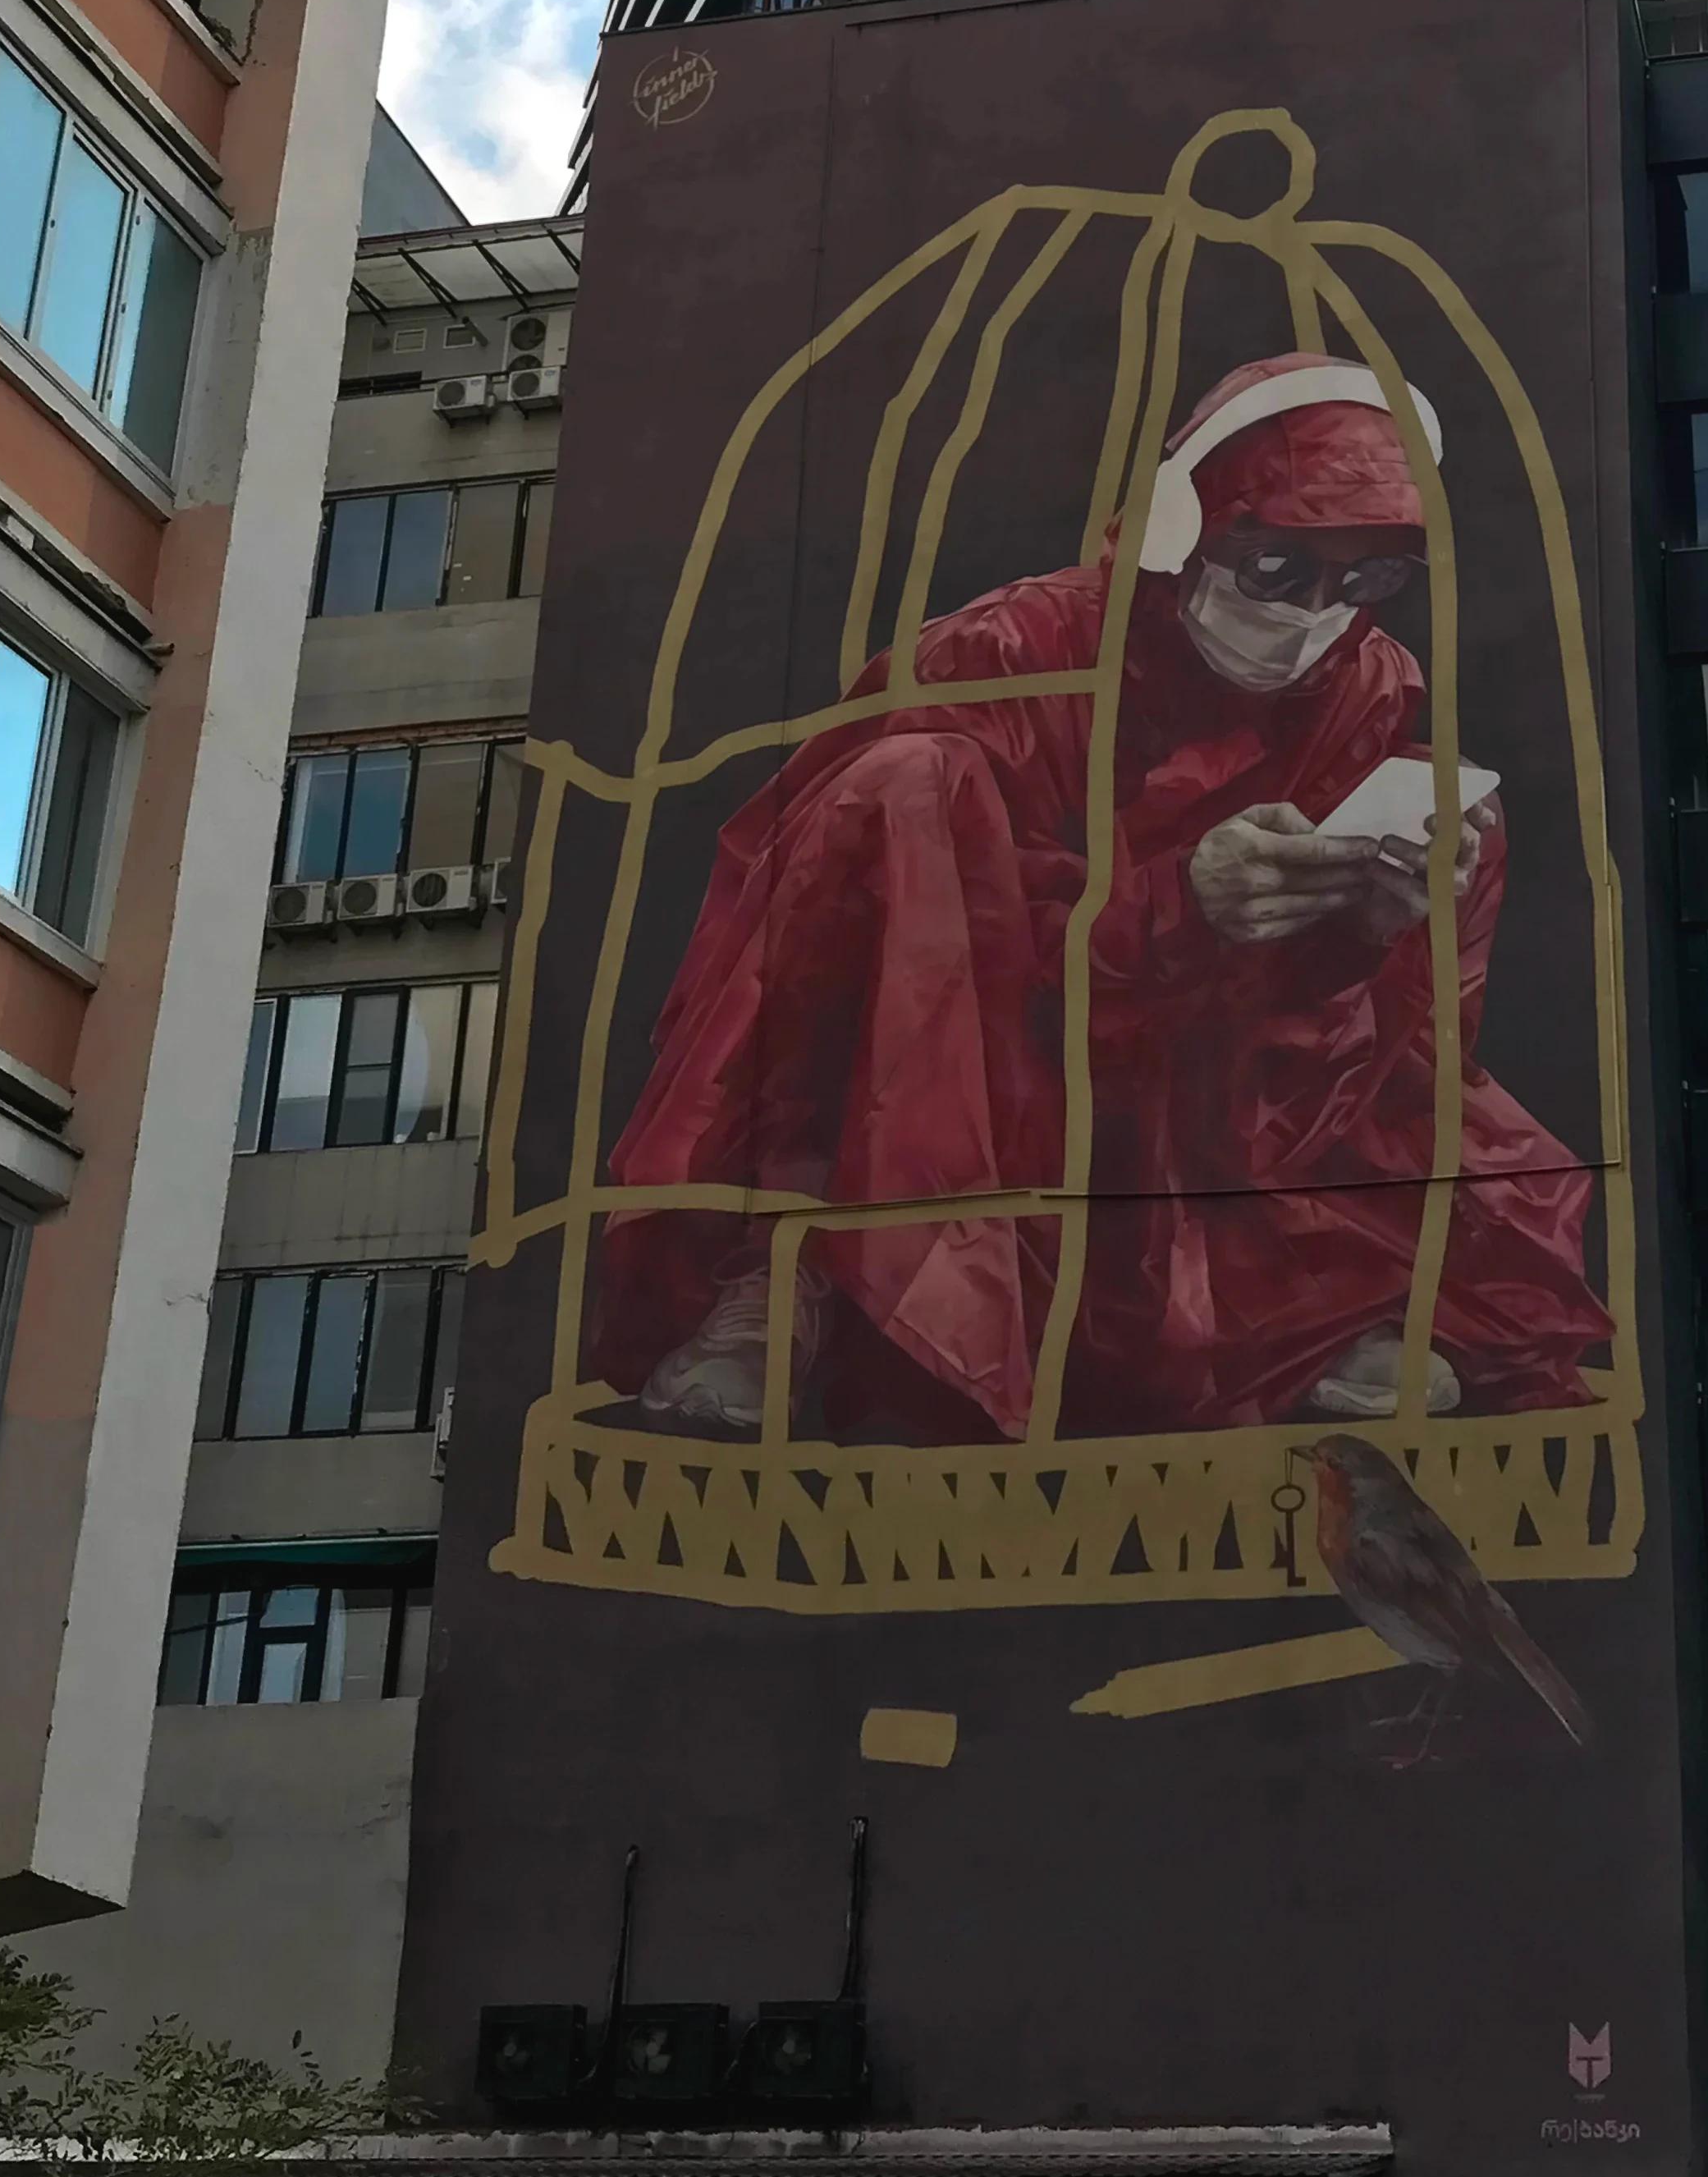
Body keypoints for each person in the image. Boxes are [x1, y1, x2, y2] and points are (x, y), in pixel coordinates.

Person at [591, 354, 1612, 1443]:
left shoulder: (1368, 687)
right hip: (966, 1092)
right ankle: (788, 1277)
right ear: (1190, 532)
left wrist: (1370, 930)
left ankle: (1298, 1306)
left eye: (1365, 582)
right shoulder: (1006, 657)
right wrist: (1176, 909)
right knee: (901, 786)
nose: (1316, 612)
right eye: (1274, 565)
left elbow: (1363, 1045)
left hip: (1203, 1102)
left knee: (1465, 849)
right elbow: (898, 950)